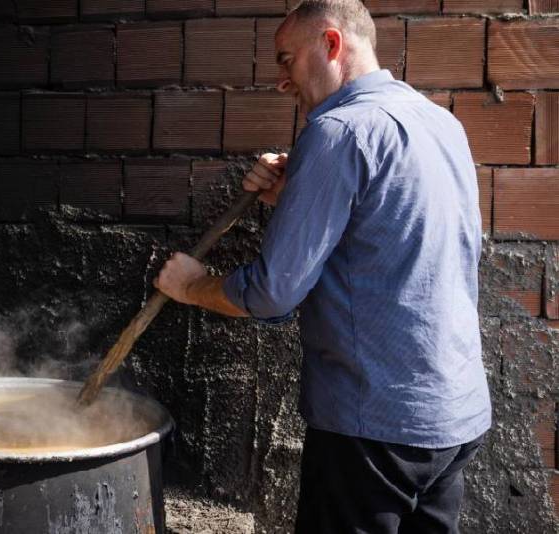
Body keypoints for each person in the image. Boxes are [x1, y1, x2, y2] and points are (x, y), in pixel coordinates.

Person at [153, 1, 491, 532]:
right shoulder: (441, 122)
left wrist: (193, 286)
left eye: (286, 60)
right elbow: (394, 231)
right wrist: (297, 195)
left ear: (332, 45)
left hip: (375, 429)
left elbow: (272, 293)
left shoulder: (338, 131)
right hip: (455, 417)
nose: (282, 82)